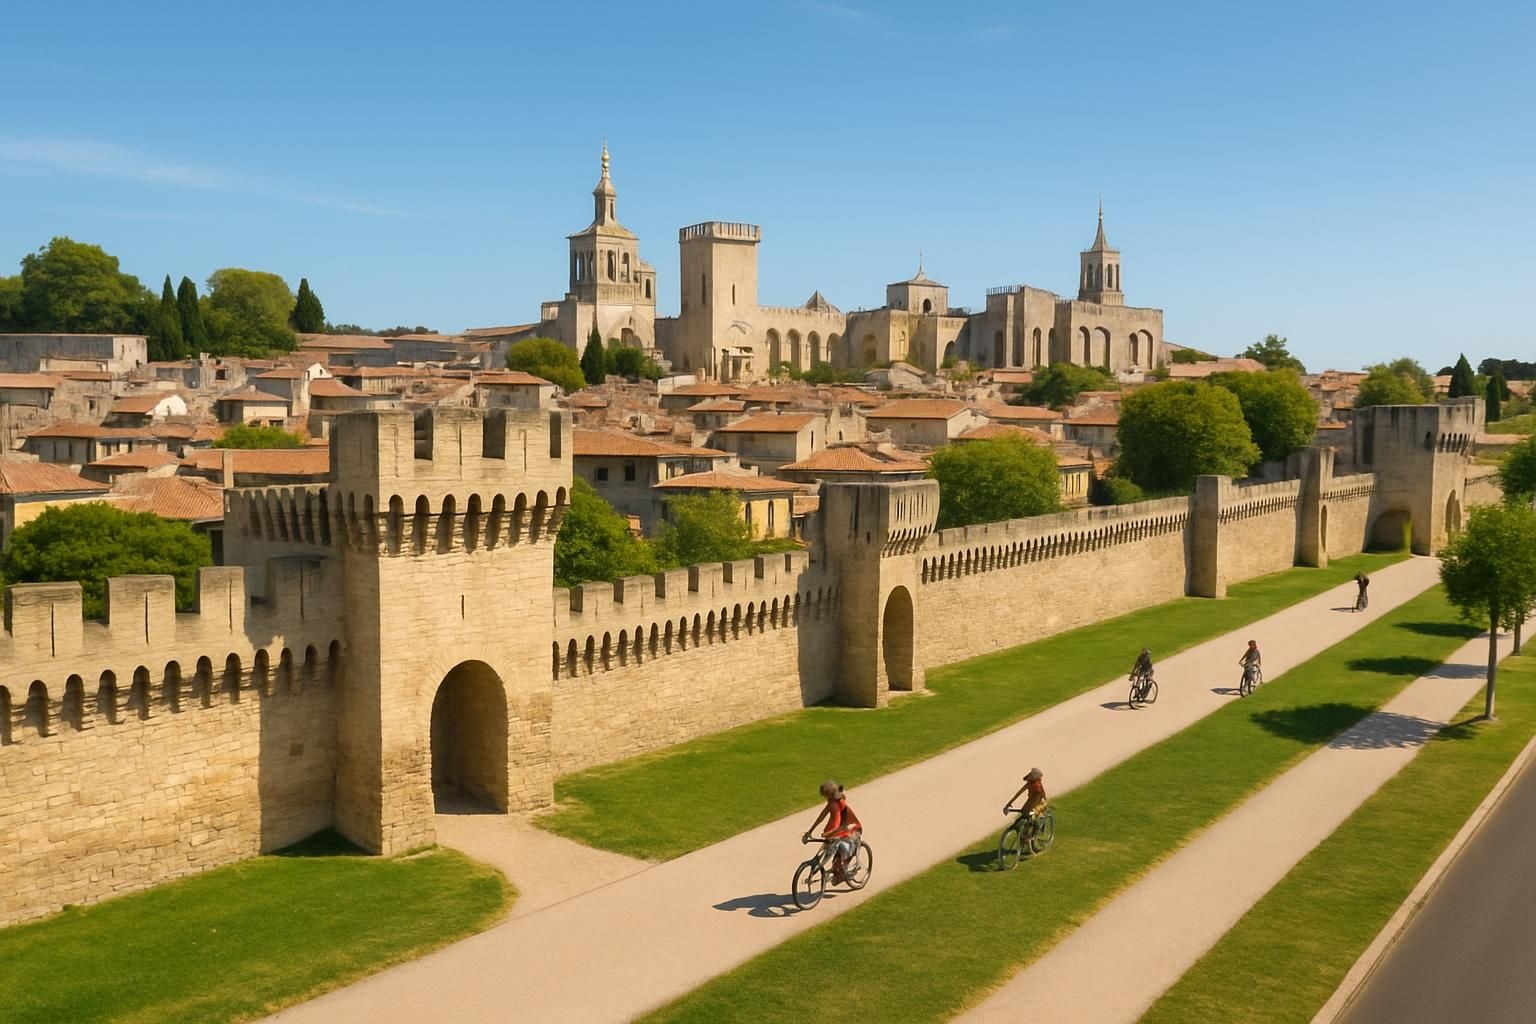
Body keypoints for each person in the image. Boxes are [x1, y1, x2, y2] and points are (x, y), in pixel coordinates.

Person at [804, 780, 862, 883]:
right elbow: (822, 816)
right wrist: (810, 830)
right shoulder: (832, 802)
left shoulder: (836, 804)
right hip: (839, 829)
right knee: (831, 848)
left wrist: (829, 833)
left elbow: (837, 823)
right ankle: (838, 870)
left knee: (844, 849)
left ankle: (846, 871)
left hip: (847, 829)